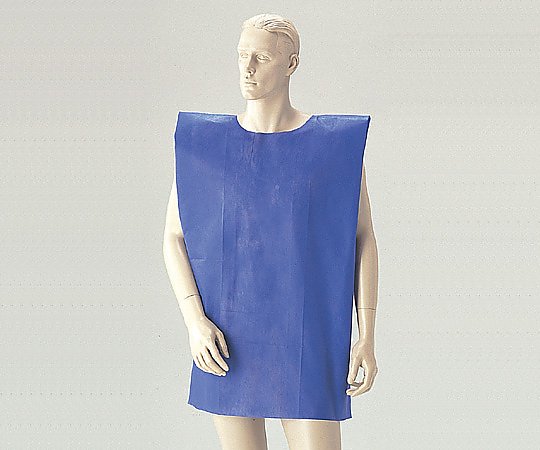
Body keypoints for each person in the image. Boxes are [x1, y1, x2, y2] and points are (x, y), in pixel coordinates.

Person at [163, 13, 379, 450]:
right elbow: (174, 236)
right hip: (227, 335)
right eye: (242, 55)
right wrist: (194, 321)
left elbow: (363, 238)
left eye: (261, 57)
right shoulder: (204, 147)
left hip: (308, 333)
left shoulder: (333, 146)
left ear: (291, 63)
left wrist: (367, 336)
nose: (247, 68)